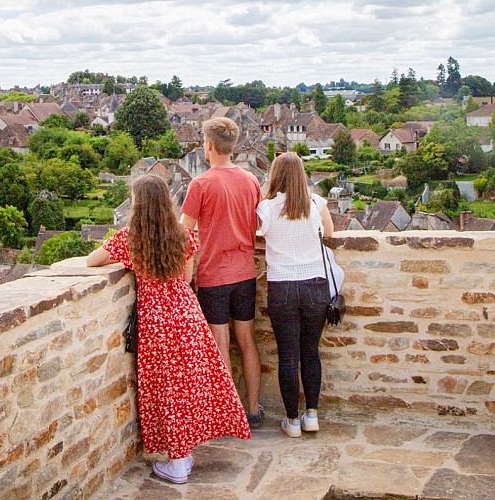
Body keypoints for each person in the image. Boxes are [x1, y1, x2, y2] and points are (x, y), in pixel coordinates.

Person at [87, 175, 251, 484]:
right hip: (187, 314)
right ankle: (183, 452)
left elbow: (91, 261)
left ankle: (176, 461)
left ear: (138, 205)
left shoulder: (130, 238)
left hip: (157, 321)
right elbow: (187, 277)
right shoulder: (183, 235)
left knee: (166, 389)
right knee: (189, 384)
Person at [180, 117, 264, 428]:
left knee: (221, 344)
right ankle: (253, 409)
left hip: (215, 274)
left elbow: (184, 232)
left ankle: (229, 416)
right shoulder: (250, 180)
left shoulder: (200, 184)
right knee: (248, 341)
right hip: (245, 272)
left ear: (210, 145)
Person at [256, 152, 334, 438]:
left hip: (283, 285)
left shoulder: (266, 208)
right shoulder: (315, 203)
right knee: (310, 352)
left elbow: (258, 233)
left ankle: (291, 420)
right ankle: (311, 413)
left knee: (288, 356)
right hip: (315, 283)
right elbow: (329, 232)